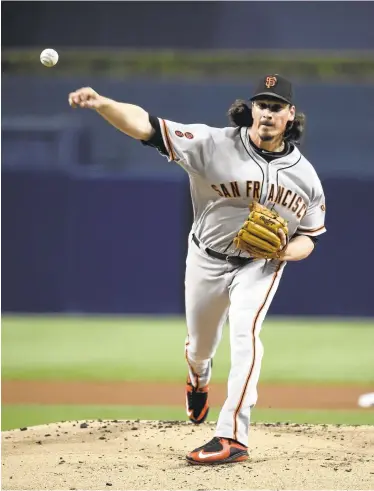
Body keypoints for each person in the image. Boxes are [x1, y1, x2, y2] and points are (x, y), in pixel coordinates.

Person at [68, 74, 326, 465]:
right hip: (206, 258)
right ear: (251, 109)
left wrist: (286, 251)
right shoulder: (213, 144)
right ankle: (198, 378)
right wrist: (103, 103)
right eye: (262, 105)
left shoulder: (305, 176)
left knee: (246, 335)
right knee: (199, 346)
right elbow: (147, 125)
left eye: (276, 107)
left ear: (290, 115)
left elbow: (311, 236)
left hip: (260, 265)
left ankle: (231, 436)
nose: (267, 114)